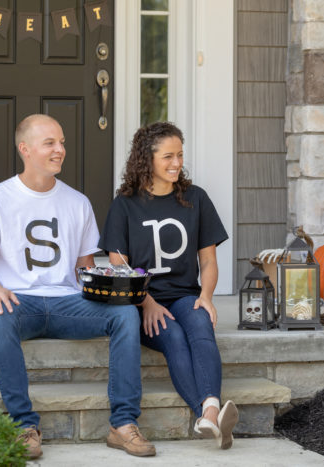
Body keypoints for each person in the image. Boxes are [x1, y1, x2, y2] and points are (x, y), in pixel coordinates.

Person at [0, 114, 155, 459]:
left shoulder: (77, 202)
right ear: (25, 149)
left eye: (62, 142)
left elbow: (84, 268)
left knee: (125, 316)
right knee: (0, 317)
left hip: (69, 303)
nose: (60, 149)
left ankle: (123, 424)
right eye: (50, 143)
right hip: (20, 302)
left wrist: (112, 285)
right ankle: (23, 425)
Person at [99, 121, 239, 449]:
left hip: (185, 294)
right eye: (167, 156)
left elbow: (208, 260)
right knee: (174, 337)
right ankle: (208, 414)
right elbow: (120, 267)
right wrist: (145, 302)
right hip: (141, 301)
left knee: (200, 325)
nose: (176, 163)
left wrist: (206, 296)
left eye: (180, 155)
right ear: (146, 160)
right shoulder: (125, 205)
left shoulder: (195, 199)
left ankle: (209, 412)